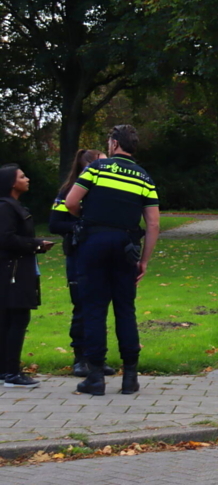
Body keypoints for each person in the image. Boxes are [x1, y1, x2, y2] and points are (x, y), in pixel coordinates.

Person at [65, 125, 160, 396]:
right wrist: (143, 260)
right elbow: (153, 224)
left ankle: (95, 377)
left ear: (115, 144)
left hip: (93, 243)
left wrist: (87, 214)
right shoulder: (144, 177)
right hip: (126, 247)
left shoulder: (95, 169)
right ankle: (130, 377)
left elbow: (71, 202)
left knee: (94, 309)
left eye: (109, 140)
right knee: (125, 310)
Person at [49, 149, 115, 378]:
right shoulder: (69, 192)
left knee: (100, 308)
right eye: (104, 164)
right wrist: (80, 227)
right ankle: (80, 357)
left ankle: (98, 357)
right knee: (82, 307)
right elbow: (55, 224)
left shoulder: (106, 192)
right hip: (78, 255)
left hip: (102, 255)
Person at [0, 165, 55, 387]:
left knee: (9, 320)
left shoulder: (13, 206)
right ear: (12, 183)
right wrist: (37, 245)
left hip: (15, 270)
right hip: (13, 272)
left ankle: (5, 370)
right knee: (17, 319)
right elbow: (6, 239)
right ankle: (12, 372)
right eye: (22, 176)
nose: (27, 179)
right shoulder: (6, 208)